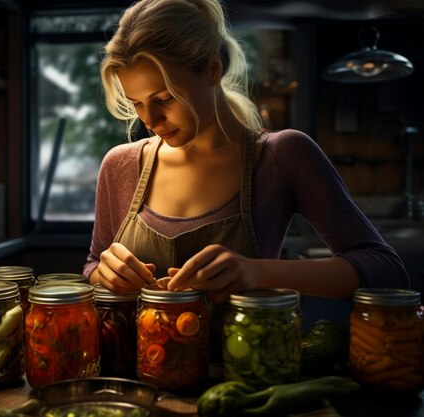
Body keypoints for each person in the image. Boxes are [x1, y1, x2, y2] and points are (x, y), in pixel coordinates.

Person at [83, 0, 410, 305]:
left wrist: (258, 272)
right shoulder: (120, 165)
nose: (150, 121)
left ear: (212, 70)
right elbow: (93, 267)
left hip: (245, 366)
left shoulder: (283, 156)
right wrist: (103, 273)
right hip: (127, 368)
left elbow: (386, 270)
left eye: (165, 99)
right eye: (137, 103)